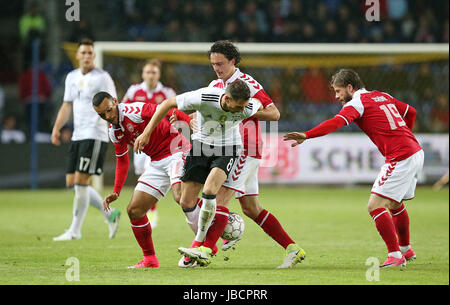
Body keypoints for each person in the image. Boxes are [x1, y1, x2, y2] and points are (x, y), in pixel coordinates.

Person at [179, 40, 305, 269]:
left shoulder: (248, 84)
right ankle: (293, 249)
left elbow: (274, 113)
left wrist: (244, 112)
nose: (216, 68)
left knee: (220, 198)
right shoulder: (216, 85)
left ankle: (204, 248)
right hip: (226, 146)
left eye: (220, 63)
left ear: (233, 61)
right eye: (213, 64)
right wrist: (195, 121)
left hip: (244, 147)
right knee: (250, 207)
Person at [284, 69, 423, 268]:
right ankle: (405, 249)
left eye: (339, 91)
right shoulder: (383, 95)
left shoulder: (357, 103)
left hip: (401, 155)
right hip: (415, 151)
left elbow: (335, 122)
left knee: (375, 206)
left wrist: (307, 135)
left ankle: (395, 256)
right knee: (395, 203)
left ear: (350, 87)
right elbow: (412, 112)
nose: (337, 96)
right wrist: (403, 135)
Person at [133, 79, 263, 267]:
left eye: (244, 107)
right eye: (238, 106)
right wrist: (146, 132)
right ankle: (218, 224)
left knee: (210, 191)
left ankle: (199, 245)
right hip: (200, 147)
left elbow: (269, 110)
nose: (242, 111)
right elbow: (167, 104)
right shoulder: (205, 96)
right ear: (226, 98)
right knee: (185, 201)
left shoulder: (249, 106)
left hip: (228, 149)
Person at [92, 91, 193, 268]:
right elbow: (122, 162)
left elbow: (166, 108)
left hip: (176, 149)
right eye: (102, 115)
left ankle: (211, 237)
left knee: (180, 197)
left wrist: (188, 121)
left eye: (109, 110)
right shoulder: (114, 132)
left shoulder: (135, 110)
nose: (108, 116)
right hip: (156, 161)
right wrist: (116, 191)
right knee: (134, 210)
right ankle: (150, 259)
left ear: (115, 101)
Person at [51, 39, 121, 241]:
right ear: (78, 55)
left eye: (90, 52)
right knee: (72, 182)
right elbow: (66, 105)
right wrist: (57, 128)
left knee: (81, 182)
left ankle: (74, 230)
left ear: (94, 55)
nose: (87, 56)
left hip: (95, 133)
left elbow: (114, 104)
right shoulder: (71, 77)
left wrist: (117, 129)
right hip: (78, 134)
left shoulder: (103, 77)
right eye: (84, 52)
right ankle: (111, 215)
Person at [122, 58, 177, 228]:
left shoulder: (167, 93)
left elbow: (175, 112)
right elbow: (122, 111)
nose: (150, 75)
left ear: (159, 74)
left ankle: (152, 212)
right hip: (140, 140)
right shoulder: (134, 91)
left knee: (148, 172)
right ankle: (148, 209)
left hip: (159, 142)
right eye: (147, 72)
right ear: (142, 74)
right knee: (142, 175)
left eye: (154, 72)